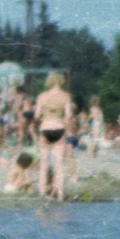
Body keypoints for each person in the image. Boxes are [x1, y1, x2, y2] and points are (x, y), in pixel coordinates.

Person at [33, 72, 73, 200]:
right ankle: (60, 195)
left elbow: (37, 115)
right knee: (59, 164)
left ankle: (42, 193)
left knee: (44, 164)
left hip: (45, 128)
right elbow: (69, 115)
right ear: (60, 81)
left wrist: (46, 116)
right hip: (59, 128)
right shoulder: (65, 96)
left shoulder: (42, 96)